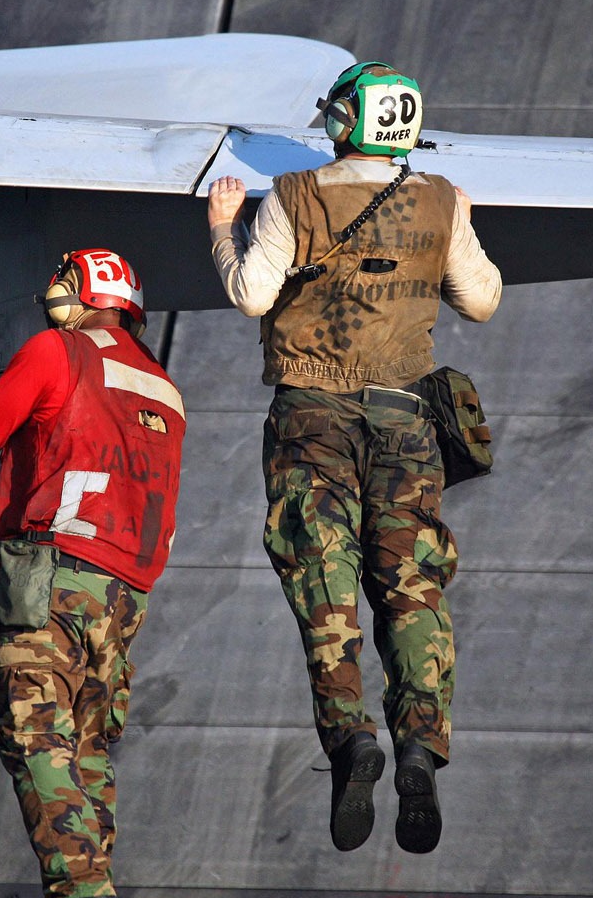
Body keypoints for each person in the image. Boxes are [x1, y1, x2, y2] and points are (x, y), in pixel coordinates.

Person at [206, 62, 501, 856]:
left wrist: (222, 227)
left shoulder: (296, 197)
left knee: (325, 584)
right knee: (411, 587)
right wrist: (452, 226)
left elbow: (251, 295)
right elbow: (481, 300)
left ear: (346, 121)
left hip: (311, 417)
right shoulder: (442, 200)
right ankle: (420, 742)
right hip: (406, 422)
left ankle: (351, 740)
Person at [0, 248, 185, 898]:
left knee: (31, 731)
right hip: (124, 593)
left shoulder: (58, 350)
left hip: (53, 574)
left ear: (77, 292)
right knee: (88, 747)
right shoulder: (163, 388)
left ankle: (82, 897)